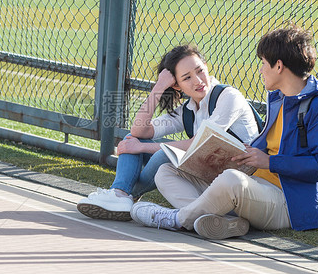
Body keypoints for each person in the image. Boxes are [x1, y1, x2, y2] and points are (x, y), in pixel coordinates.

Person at [131, 24, 318, 240]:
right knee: (166, 172)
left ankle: (176, 220)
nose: (261, 70)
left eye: (263, 63)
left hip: (288, 202)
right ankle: (221, 221)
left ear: (278, 66)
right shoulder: (279, 98)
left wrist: (269, 162)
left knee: (231, 179)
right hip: (252, 184)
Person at [77, 43, 260, 221]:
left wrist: (140, 147)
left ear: (206, 67)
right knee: (132, 138)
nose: (197, 80)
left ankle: (122, 195)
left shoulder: (228, 96)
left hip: (242, 178)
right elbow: (139, 129)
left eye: (199, 71)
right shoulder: (187, 110)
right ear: (177, 86)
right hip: (211, 172)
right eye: (186, 78)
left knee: (162, 154)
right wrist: (159, 87)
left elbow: (199, 143)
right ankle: (119, 193)